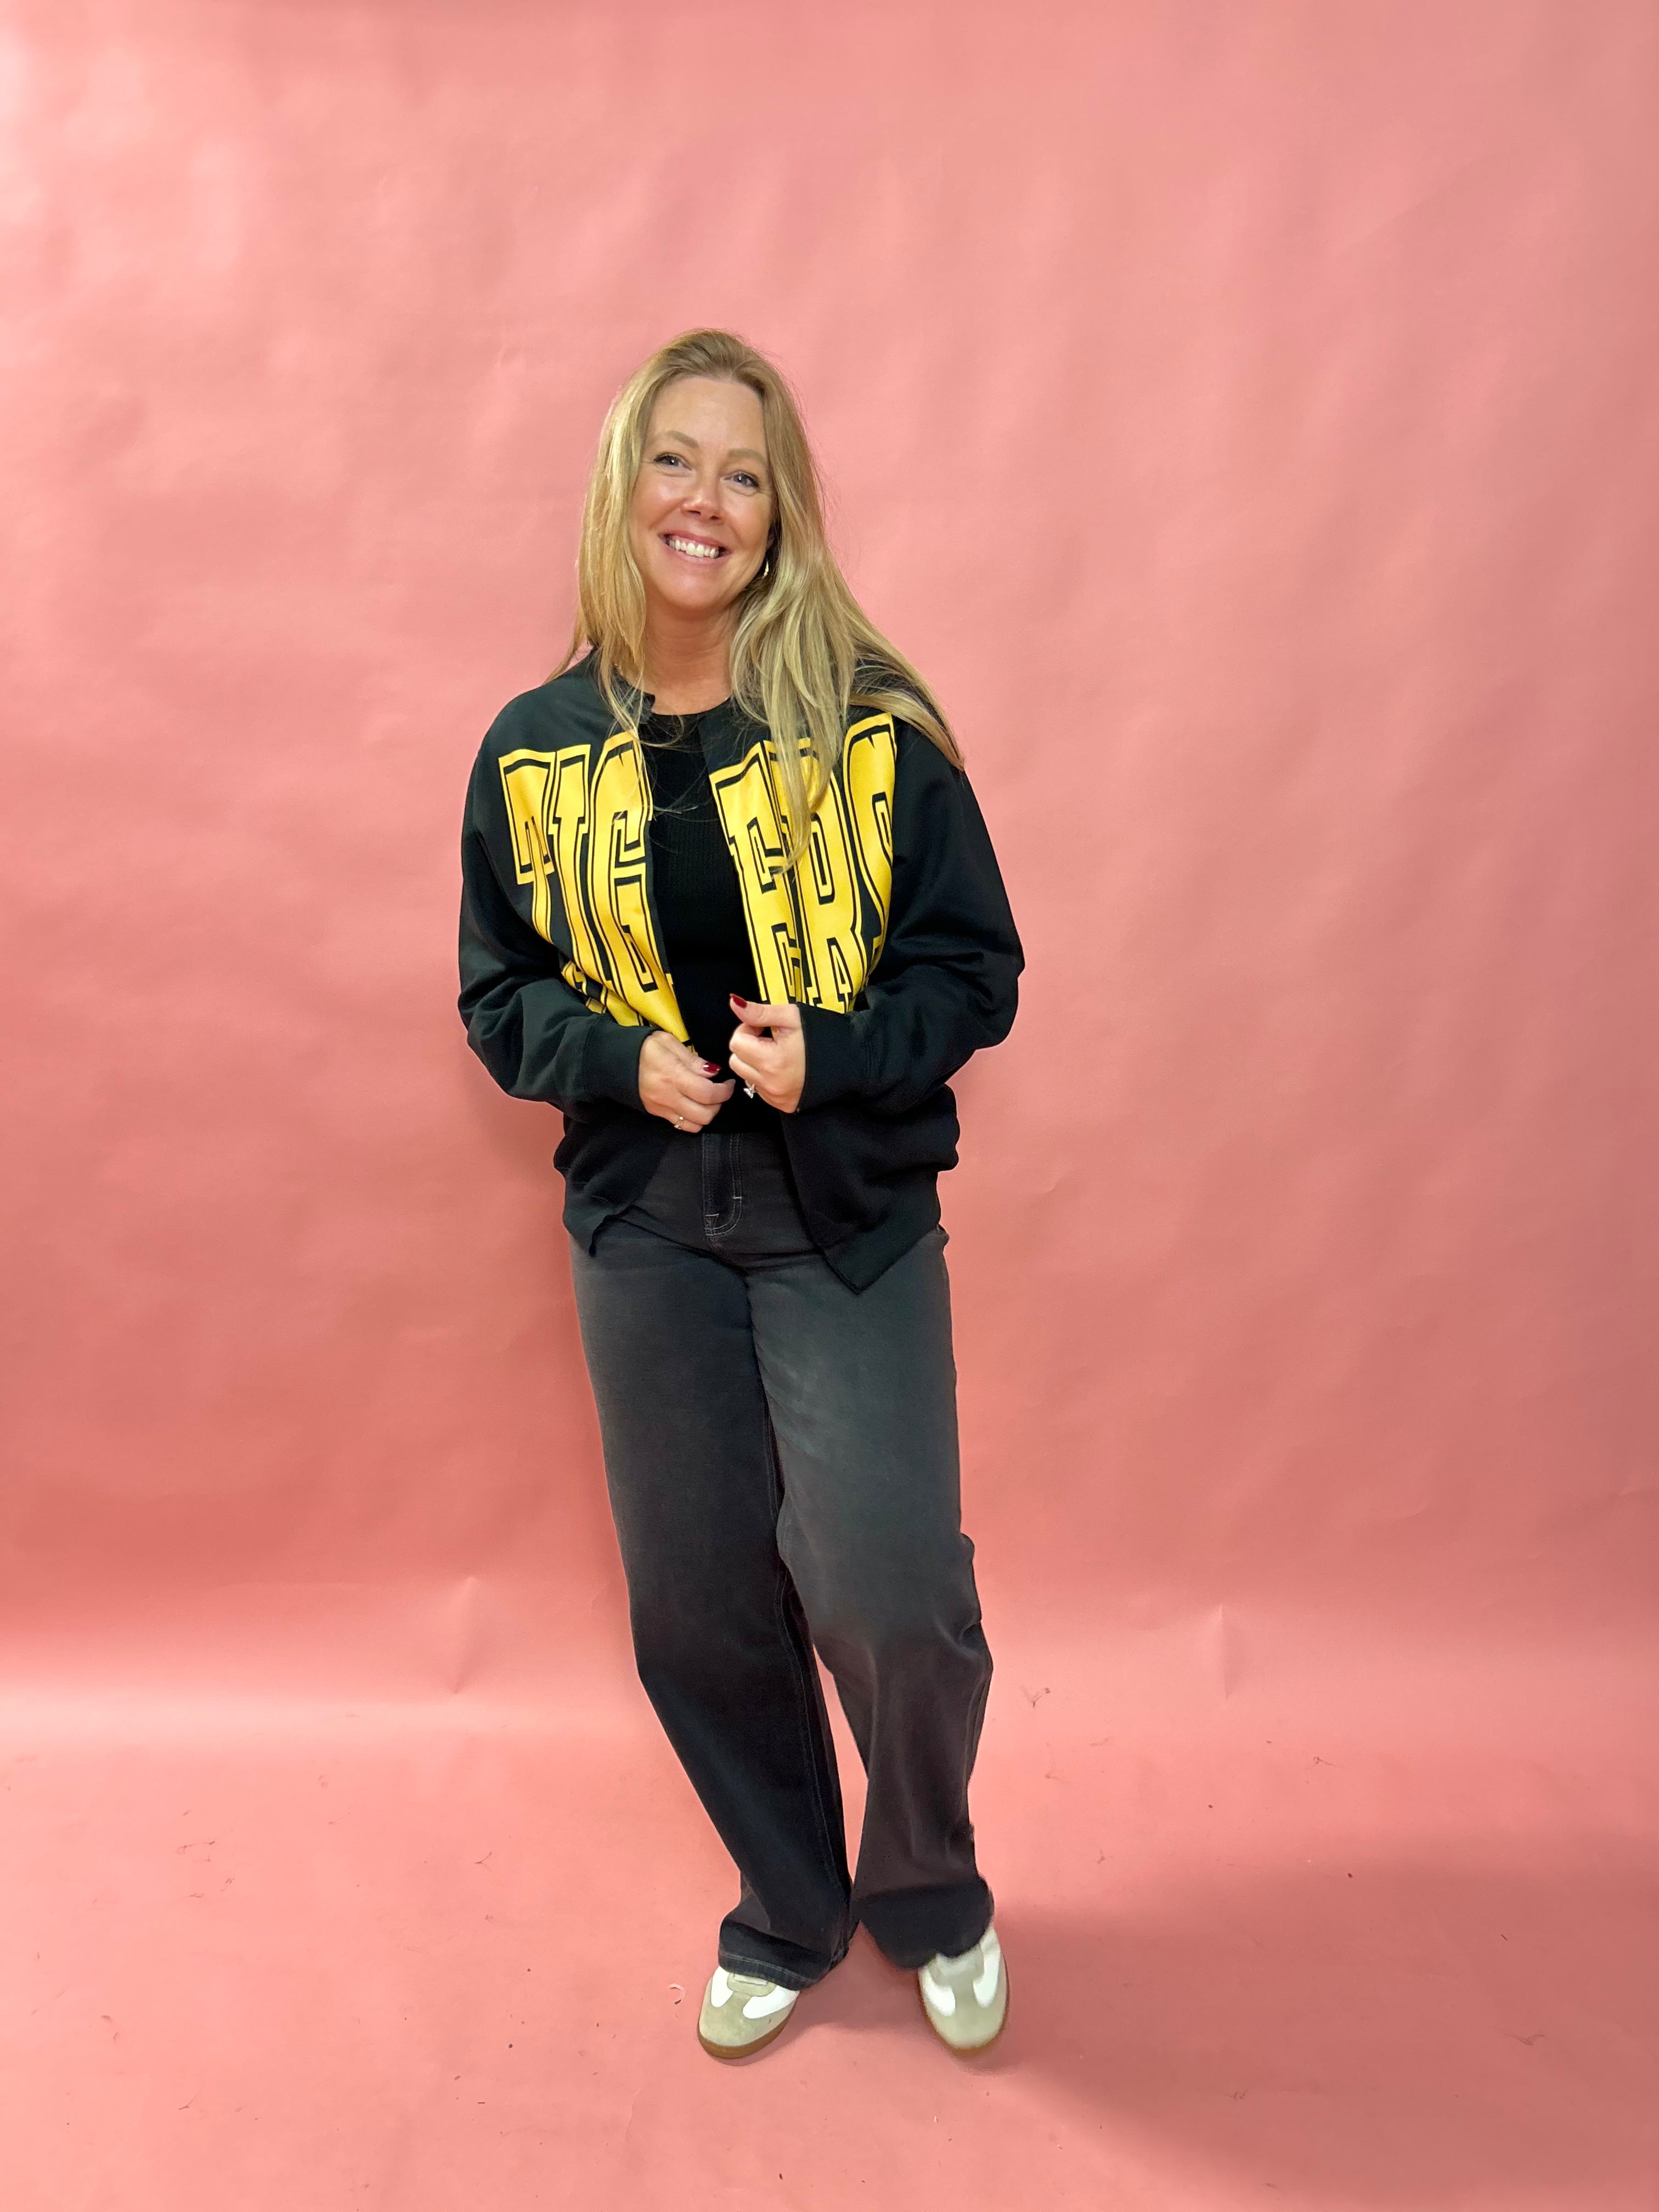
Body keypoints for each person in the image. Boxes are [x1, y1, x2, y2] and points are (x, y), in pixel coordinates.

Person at [456, 329, 1023, 2058]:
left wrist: (831, 1053)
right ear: (624, 488)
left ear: (781, 518)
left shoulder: (873, 726)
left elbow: (974, 970)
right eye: (675, 459)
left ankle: (929, 1887)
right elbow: (500, 992)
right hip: (645, 1231)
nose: (703, 500)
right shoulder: (533, 748)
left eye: (744, 474)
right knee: (696, 1609)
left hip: (842, 1214)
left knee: (889, 1586)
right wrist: (611, 1059)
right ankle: (790, 1905)